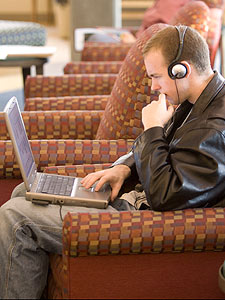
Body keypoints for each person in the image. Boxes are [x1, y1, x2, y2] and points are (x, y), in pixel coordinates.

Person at [1, 24, 225, 299]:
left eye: (156, 77)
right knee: (25, 192)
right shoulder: (198, 100)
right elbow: (164, 152)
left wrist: (152, 129)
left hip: (142, 220)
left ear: (181, 70)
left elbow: (166, 195)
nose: (154, 87)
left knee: (15, 218)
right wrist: (125, 167)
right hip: (134, 199)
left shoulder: (213, 129)